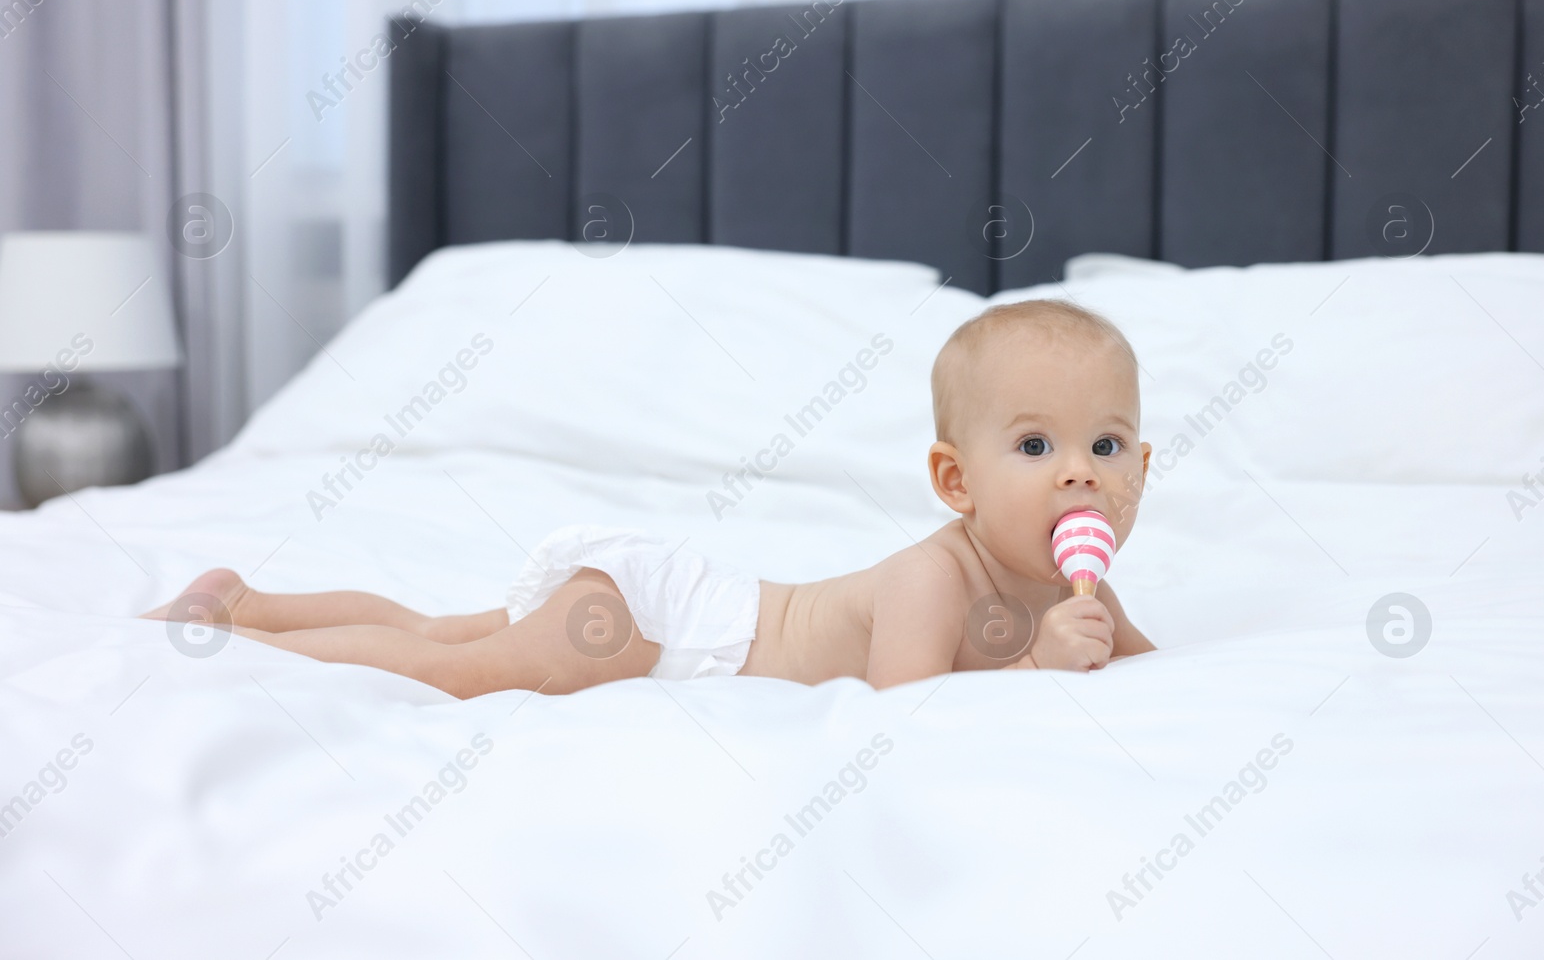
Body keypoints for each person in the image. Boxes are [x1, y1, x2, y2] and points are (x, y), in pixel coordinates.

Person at [143, 298, 1157, 696]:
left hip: (662, 603)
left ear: (1141, 474)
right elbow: (906, 698)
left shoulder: (1081, 593)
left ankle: (247, 599)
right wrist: (1032, 659)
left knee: (442, 627)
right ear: (955, 481)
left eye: (1106, 445)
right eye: (1034, 443)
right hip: (671, 625)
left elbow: (1148, 665)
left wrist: (1090, 639)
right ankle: (243, 644)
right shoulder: (936, 574)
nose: (1080, 472)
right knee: (453, 667)